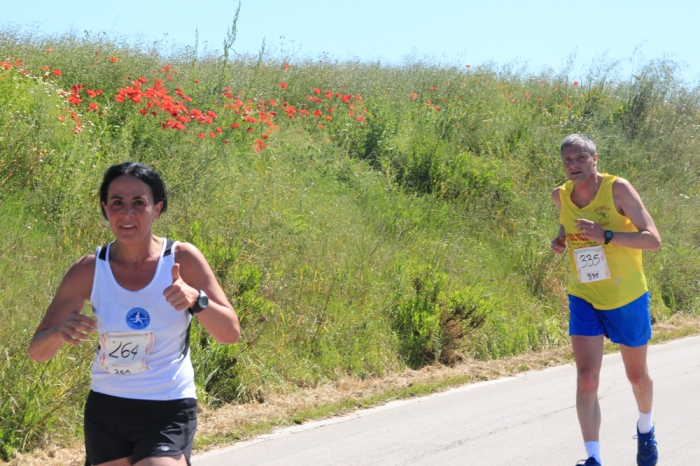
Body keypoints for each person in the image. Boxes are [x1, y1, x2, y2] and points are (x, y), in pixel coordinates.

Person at [28, 162, 240, 466]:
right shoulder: (89, 269)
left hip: (167, 405)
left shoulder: (181, 259)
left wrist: (197, 300)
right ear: (105, 209)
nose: (127, 214)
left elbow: (230, 333)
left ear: (157, 208)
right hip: (107, 409)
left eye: (139, 203)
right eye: (117, 203)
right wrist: (59, 332)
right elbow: (37, 352)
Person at [550, 134, 661, 466]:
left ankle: (646, 428)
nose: (574, 165)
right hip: (584, 294)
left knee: (637, 376)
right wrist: (559, 240)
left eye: (580, 158)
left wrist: (606, 235)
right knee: (586, 376)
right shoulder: (560, 195)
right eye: (568, 160)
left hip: (625, 294)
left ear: (595, 159)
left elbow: (653, 240)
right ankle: (593, 458)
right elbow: (566, 226)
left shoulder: (618, 189)